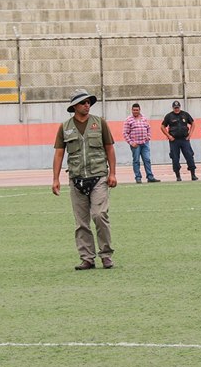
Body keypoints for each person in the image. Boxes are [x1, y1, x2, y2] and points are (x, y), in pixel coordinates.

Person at [52, 88, 118, 270]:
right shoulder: (65, 127)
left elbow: (109, 148)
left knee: (99, 215)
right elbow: (59, 154)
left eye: (89, 102)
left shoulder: (100, 123)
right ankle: (87, 258)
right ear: (74, 106)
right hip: (76, 178)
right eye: (83, 102)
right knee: (81, 222)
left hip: (98, 176)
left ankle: (106, 254)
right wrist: (55, 179)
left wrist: (112, 173)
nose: (87, 105)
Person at [122, 103, 160, 184]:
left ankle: (150, 177)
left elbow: (148, 128)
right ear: (132, 110)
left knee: (147, 160)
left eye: (137, 110)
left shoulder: (144, 118)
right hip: (135, 145)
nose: (135, 111)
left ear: (139, 110)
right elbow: (125, 133)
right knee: (136, 161)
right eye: (134, 110)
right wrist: (131, 143)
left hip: (144, 143)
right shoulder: (128, 120)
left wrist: (148, 137)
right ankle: (138, 177)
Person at [161, 100, 198, 181]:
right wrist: (168, 136)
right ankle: (178, 176)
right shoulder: (169, 116)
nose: (176, 109)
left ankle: (193, 175)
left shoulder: (185, 114)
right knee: (175, 158)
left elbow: (193, 123)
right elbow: (162, 126)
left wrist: (190, 134)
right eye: (175, 108)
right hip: (174, 141)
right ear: (173, 108)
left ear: (180, 107)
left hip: (184, 140)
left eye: (177, 107)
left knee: (189, 156)